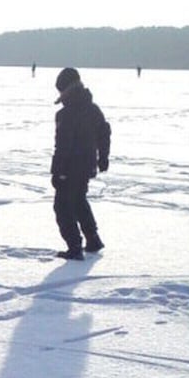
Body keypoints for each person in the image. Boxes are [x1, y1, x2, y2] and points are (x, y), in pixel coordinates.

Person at [50, 67, 111, 260]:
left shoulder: (65, 115)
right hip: (87, 166)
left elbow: (63, 146)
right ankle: (92, 239)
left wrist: (58, 172)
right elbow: (104, 134)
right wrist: (103, 157)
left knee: (62, 206)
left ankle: (74, 247)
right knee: (78, 201)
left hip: (69, 168)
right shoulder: (93, 109)